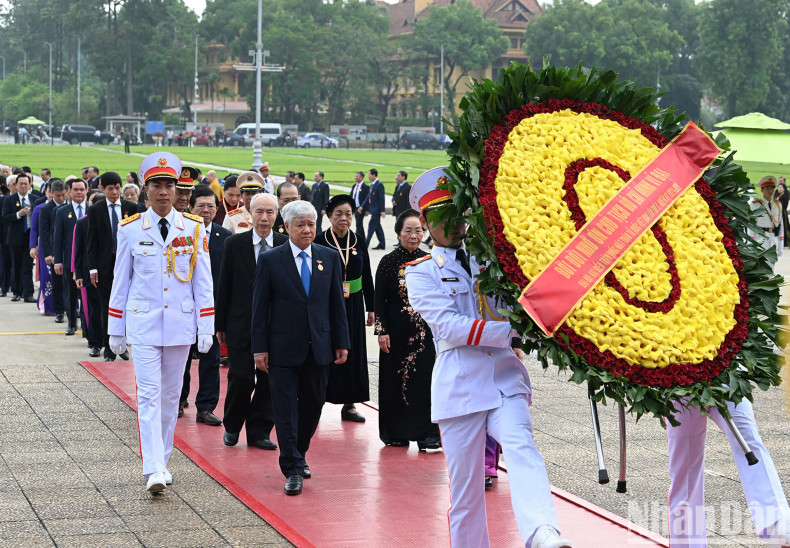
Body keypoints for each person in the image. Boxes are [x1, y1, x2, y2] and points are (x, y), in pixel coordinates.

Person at [404, 167, 570, 548]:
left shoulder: (493, 259)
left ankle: (542, 533)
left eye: (457, 212)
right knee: (466, 494)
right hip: (459, 385)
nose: (454, 223)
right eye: (442, 216)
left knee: (522, 448)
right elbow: (450, 327)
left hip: (504, 377)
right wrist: (513, 330)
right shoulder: (422, 273)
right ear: (426, 223)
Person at [107, 151, 214, 493]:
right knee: (149, 396)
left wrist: (206, 325)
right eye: (157, 185)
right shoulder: (130, 229)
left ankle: (163, 461)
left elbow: (203, 282)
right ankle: (153, 467)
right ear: (145, 189)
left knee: (170, 398)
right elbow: (120, 281)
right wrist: (115, 326)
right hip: (144, 325)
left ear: (177, 188)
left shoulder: (193, 228)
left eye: (169, 185)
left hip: (179, 324)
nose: (164, 192)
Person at [251, 200, 350, 496]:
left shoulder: (329, 258)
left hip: (319, 346)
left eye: (311, 224)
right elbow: (260, 308)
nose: (307, 230)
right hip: (282, 348)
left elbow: (336, 303)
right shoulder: (270, 260)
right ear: (287, 227)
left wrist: (342, 342)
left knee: (313, 405)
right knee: (284, 410)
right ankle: (292, 467)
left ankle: (299, 451)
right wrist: (259, 348)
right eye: (300, 225)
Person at [216, 192, 287, 450]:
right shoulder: (235, 244)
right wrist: (220, 324)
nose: (264, 218)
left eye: (270, 212)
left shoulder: (285, 244)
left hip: (276, 326)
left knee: (269, 380)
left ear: (277, 215)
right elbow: (224, 285)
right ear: (250, 213)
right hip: (241, 323)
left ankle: (259, 430)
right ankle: (232, 425)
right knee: (241, 377)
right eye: (259, 212)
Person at [666, 401, 790, 546]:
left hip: (727, 388)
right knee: (686, 470)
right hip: (679, 394)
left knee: (747, 442)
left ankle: (780, 526)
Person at [374, 208, 440, 448]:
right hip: (396, 334)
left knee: (425, 382)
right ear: (398, 233)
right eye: (408, 231)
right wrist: (382, 331)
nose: (414, 236)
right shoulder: (388, 262)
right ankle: (395, 433)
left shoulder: (431, 261)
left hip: (425, 334)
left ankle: (427, 436)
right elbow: (379, 299)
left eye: (418, 231)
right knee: (395, 382)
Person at [314, 195, 374, 423]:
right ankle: (318, 400)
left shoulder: (359, 240)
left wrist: (371, 307)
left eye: (348, 214)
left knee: (353, 351)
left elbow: (367, 275)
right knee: (327, 350)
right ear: (329, 216)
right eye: (338, 213)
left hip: (354, 305)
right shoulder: (320, 241)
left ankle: (350, 403)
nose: (344, 218)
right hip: (328, 304)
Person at [178, 185, 231, 425]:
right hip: (184, 306)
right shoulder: (180, 234)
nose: (206, 210)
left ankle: (206, 407)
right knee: (181, 357)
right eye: (201, 206)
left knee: (211, 358)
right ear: (191, 207)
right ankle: (179, 399)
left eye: (211, 206)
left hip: (212, 308)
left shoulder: (225, 237)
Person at [87, 172, 138, 361]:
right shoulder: (96, 209)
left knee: (126, 305)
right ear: (102, 189)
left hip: (127, 264)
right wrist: (93, 268)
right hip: (105, 266)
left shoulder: (131, 208)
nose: (115, 192)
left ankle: (122, 345)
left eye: (117, 188)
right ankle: (109, 348)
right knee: (108, 306)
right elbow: (91, 241)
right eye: (110, 189)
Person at [54, 178, 88, 335]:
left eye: (82, 189)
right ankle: (71, 323)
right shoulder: (62, 211)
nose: (79, 192)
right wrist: (58, 261)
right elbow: (58, 238)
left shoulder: (92, 209)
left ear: (86, 191)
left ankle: (87, 326)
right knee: (70, 293)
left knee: (87, 295)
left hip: (88, 260)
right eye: (75, 189)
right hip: (69, 260)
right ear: (69, 191)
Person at [74, 190, 104, 356]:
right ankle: (95, 343)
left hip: (108, 272)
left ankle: (112, 343)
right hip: (88, 272)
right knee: (93, 310)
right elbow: (77, 251)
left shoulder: (115, 222)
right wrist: (78, 274)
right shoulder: (82, 223)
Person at [3, 172, 38, 302]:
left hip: (30, 236)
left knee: (28, 266)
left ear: (30, 185)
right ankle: (17, 292)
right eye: (21, 184)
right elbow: (5, 217)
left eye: (26, 184)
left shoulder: (35, 199)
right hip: (15, 237)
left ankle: (28, 293)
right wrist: (18, 214)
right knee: (16, 265)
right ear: (16, 185)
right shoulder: (9, 200)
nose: (23, 186)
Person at [38, 179, 67, 322]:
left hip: (69, 250)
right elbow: (44, 233)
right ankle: (59, 311)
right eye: (57, 195)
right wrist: (48, 254)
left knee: (71, 283)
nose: (61, 198)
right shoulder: (46, 209)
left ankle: (73, 308)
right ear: (51, 193)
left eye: (63, 195)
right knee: (57, 283)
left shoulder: (70, 207)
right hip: (55, 252)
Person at [29, 186, 55, 315]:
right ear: (46, 191)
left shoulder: (65, 207)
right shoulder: (39, 208)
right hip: (44, 245)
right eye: (50, 191)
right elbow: (34, 229)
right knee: (47, 275)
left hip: (59, 245)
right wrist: (32, 246)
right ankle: (46, 304)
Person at [749, 176, 784, 264]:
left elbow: (781, 226)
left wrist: (781, 245)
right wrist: (751, 244)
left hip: (773, 239)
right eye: (767, 188)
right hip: (760, 239)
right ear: (762, 190)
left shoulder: (778, 205)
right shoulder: (755, 205)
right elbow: (751, 226)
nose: (770, 191)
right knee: (760, 266)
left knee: (771, 266)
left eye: (772, 188)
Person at [365, 168, 386, 250]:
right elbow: (368, 197)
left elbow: (381, 199)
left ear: (374, 175)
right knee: (377, 228)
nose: (368, 176)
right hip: (373, 209)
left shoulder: (379, 185)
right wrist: (363, 206)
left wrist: (382, 210)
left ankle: (366, 244)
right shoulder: (373, 184)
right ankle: (382, 244)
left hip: (376, 210)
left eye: (369, 174)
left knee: (371, 227)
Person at [349, 171, 369, 241]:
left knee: (359, 224)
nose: (355, 177)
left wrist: (367, 210)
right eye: (355, 176)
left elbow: (367, 199)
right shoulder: (354, 186)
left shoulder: (366, 187)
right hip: (355, 208)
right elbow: (351, 196)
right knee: (359, 223)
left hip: (361, 208)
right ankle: (363, 239)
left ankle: (356, 239)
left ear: (361, 177)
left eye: (357, 176)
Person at [775, 178, 789, 247]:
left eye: (780, 187)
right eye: (778, 187)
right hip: (776, 213)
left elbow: (783, 206)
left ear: (784, 189)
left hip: (782, 213)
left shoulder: (785, 196)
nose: (779, 189)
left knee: (783, 228)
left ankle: (785, 242)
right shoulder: (777, 194)